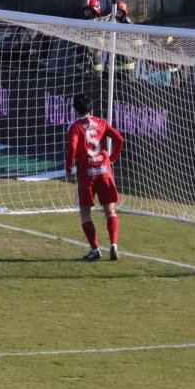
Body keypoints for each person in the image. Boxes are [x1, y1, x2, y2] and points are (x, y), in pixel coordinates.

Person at [64, 93, 124, 262]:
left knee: (85, 213)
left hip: (87, 173)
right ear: (91, 108)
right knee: (110, 210)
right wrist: (112, 158)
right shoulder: (101, 122)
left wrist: (69, 167)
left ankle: (95, 249)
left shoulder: (75, 127)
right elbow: (119, 139)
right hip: (104, 170)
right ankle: (114, 244)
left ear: (75, 109)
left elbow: (73, 147)